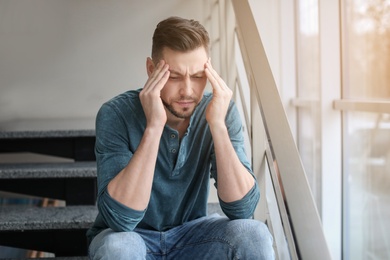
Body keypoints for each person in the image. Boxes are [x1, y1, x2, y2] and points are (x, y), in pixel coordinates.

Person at [87, 16, 274, 259]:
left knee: (254, 235)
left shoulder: (220, 109)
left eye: (197, 76)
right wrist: (154, 126)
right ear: (151, 70)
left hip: (193, 236)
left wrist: (217, 124)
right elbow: (121, 219)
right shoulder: (115, 114)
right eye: (174, 76)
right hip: (131, 237)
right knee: (117, 249)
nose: (187, 90)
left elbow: (242, 208)